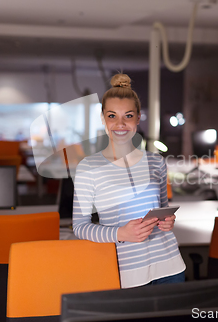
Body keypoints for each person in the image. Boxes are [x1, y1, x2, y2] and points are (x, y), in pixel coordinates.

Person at [72, 73, 186, 288]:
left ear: (138, 117)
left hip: (170, 266)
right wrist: (120, 233)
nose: (121, 124)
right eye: (112, 116)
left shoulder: (156, 162)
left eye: (128, 115)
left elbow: (161, 210)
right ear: (103, 118)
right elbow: (79, 226)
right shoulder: (89, 167)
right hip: (126, 270)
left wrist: (168, 222)